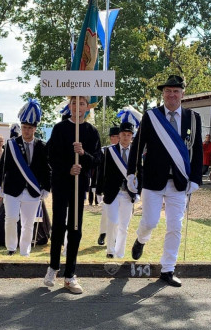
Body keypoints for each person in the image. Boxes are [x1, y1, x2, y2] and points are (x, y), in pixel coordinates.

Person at [127, 74, 203, 287]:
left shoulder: (193, 118)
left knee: (174, 226)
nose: (172, 95)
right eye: (168, 91)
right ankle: (141, 239)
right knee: (150, 221)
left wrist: (196, 179)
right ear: (163, 94)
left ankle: (168, 269)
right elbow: (137, 145)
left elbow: (197, 152)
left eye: (176, 91)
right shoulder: (151, 116)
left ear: (182, 94)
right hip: (153, 180)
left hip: (180, 182)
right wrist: (132, 172)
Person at [44, 95, 101, 293]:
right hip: (61, 183)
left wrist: (83, 154)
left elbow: (97, 160)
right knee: (59, 224)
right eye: (74, 102)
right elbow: (50, 156)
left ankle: (70, 275)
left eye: (82, 103)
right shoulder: (60, 128)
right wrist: (68, 168)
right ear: (69, 105)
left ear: (87, 107)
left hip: (80, 184)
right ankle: (53, 267)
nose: (78, 106)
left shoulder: (91, 131)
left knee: (75, 227)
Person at [0, 99, 51, 256]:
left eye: (30, 128)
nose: (26, 131)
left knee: (28, 223)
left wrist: (47, 187)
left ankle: (25, 250)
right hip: (12, 189)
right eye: (24, 127)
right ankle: (11, 247)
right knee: (11, 218)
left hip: (32, 190)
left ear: (35, 129)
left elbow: (47, 169)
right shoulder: (12, 144)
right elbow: (2, 166)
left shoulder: (42, 145)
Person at [97, 122, 140, 258]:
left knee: (124, 225)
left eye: (129, 135)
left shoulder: (136, 152)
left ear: (132, 136)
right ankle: (110, 250)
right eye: (123, 134)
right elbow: (101, 172)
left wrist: (138, 192)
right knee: (112, 221)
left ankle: (120, 252)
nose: (126, 137)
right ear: (119, 135)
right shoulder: (109, 151)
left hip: (128, 193)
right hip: (112, 192)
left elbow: (142, 172)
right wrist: (98, 191)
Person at [97, 125, 120, 246]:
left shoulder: (125, 150)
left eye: (117, 136)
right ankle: (103, 233)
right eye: (112, 137)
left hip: (122, 188)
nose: (114, 139)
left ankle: (115, 237)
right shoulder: (105, 150)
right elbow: (101, 170)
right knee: (106, 213)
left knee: (118, 216)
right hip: (108, 186)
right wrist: (98, 188)